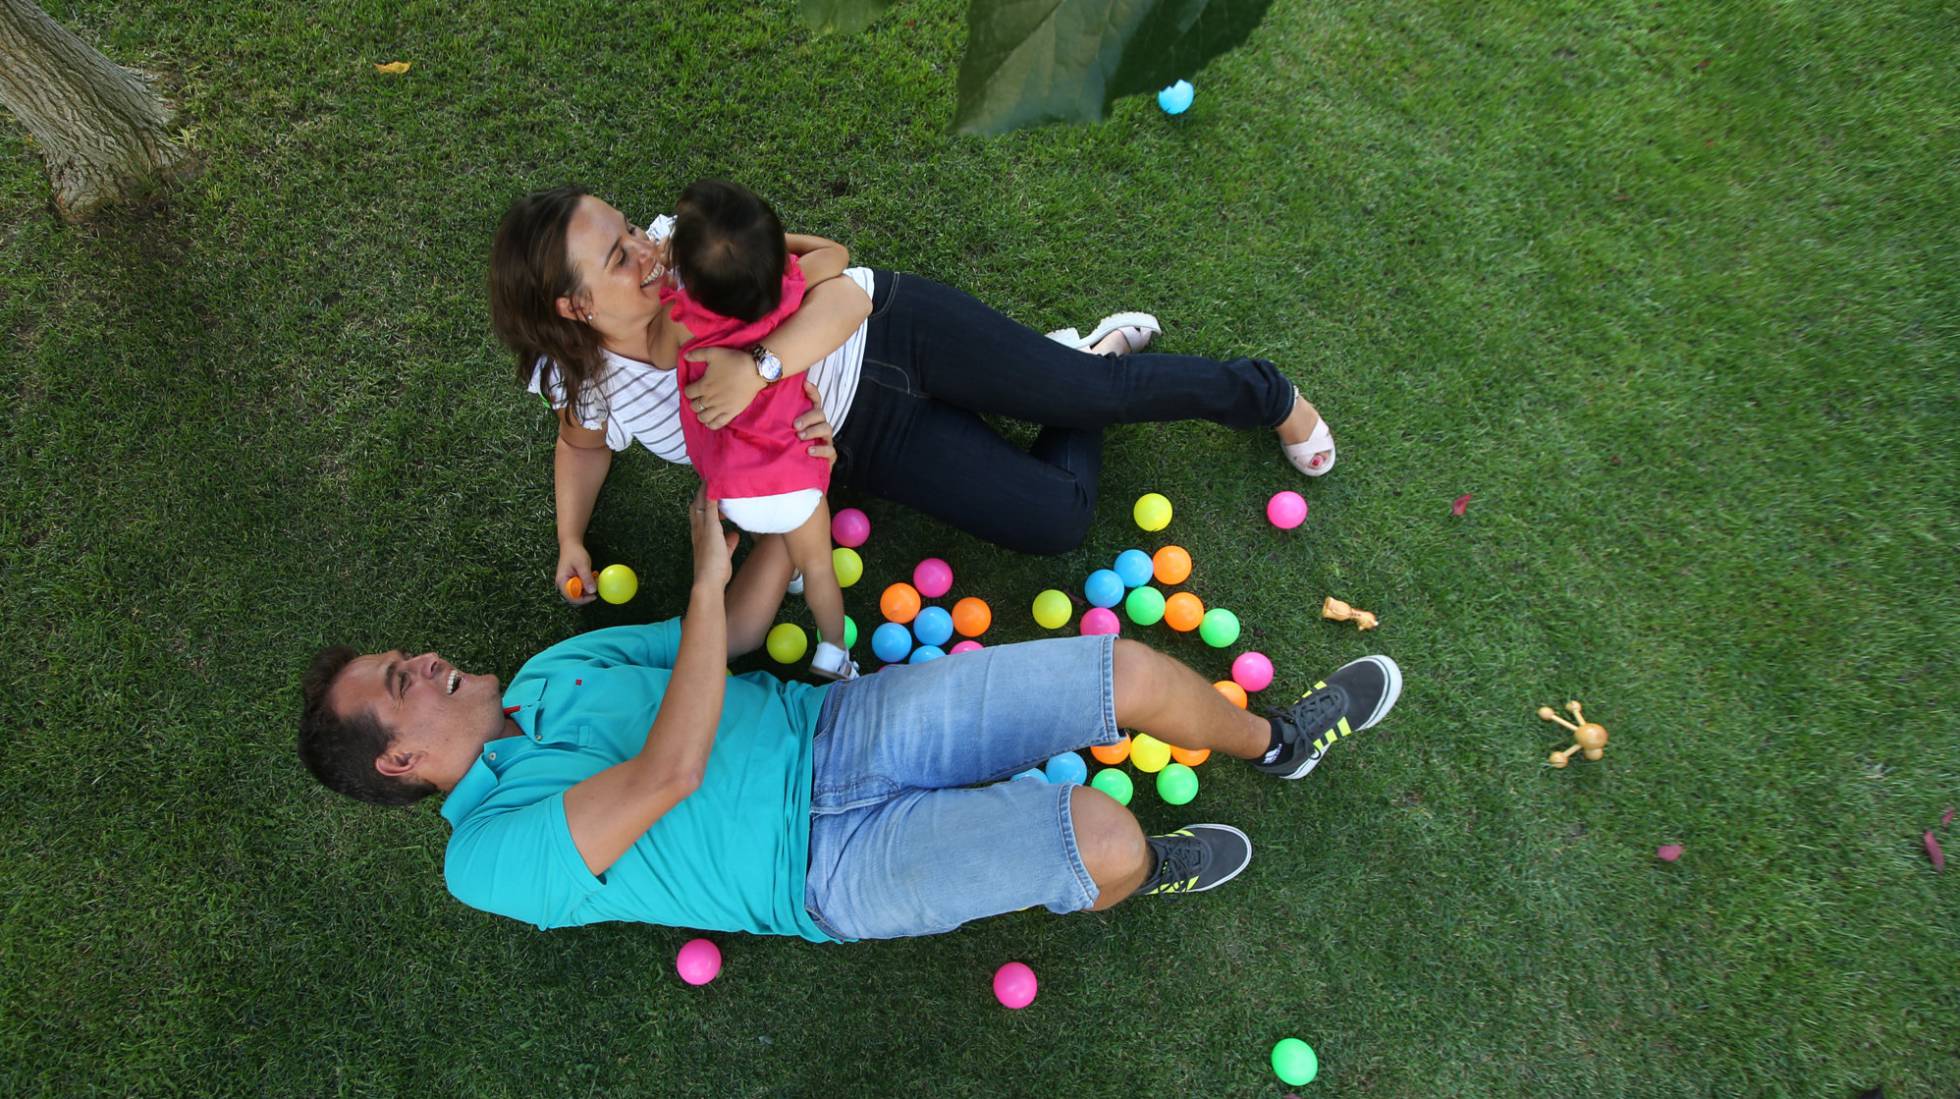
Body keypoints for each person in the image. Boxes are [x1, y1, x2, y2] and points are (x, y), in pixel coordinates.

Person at [296, 488, 1403, 942]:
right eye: (403, 680)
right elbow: (663, 776)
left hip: (841, 727)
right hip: (823, 868)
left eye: (405, 655)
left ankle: (1281, 742)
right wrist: (691, 582)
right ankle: (1152, 865)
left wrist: (782, 502)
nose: (427, 660)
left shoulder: (555, 668)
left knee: (1132, 673)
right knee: (1103, 838)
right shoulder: (484, 860)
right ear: (398, 760)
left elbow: (727, 641)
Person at [486, 186, 1341, 609]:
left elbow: (834, 271)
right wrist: (570, 533)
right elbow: (582, 443)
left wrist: (763, 367)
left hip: (889, 328)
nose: (645, 247)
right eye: (619, 257)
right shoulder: (588, 379)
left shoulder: (687, 250)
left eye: (629, 228)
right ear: (574, 308)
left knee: (1096, 395)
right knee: (1057, 521)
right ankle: (1079, 353)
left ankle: (1260, 392)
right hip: (865, 441)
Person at [657, 179, 856, 679]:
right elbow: (837, 254)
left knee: (793, 547)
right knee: (818, 567)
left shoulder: (685, 318)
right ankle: (834, 651)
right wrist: (776, 249)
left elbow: (659, 351)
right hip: (797, 473)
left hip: (735, 493)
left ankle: (782, 570)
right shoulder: (789, 289)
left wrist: (665, 280)